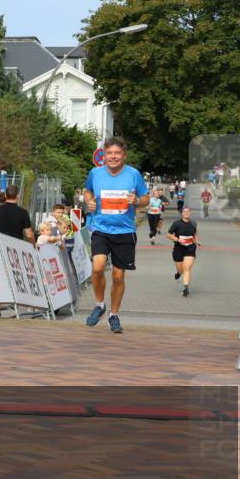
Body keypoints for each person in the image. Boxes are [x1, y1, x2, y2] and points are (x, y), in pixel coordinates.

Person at [83, 136, 149, 334]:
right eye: (109, 153)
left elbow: (146, 198)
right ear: (104, 155)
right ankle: (99, 304)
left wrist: (136, 200)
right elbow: (87, 192)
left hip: (125, 231)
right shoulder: (95, 173)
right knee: (98, 267)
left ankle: (114, 314)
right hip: (101, 229)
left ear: (124, 155)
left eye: (117, 153)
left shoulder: (133, 174)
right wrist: (90, 202)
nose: (113, 157)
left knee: (118, 275)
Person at [167, 207, 199, 297]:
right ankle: (178, 273)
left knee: (187, 268)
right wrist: (177, 239)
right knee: (181, 270)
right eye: (184, 211)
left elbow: (194, 234)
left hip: (190, 248)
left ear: (190, 213)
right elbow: (168, 234)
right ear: (182, 213)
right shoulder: (176, 223)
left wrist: (197, 242)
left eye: (188, 211)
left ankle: (186, 288)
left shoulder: (194, 223)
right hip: (178, 249)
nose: (186, 213)